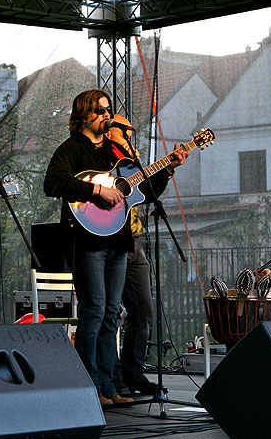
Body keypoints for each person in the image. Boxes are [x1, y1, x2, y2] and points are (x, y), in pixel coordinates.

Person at [43, 90, 186, 406]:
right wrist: (97, 190)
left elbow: (144, 192)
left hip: (119, 241)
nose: (107, 114)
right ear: (85, 113)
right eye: (101, 109)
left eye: (109, 109)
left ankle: (109, 387)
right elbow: (52, 183)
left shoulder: (114, 152)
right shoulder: (72, 149)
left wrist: (168, 168)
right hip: (88, 241)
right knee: (93, 312)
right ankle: (89, 386)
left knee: (111, 314)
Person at [106, 114, 159, 395]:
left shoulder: (131, 161)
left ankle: (133, 373)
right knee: (109, 311)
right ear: (111, 130)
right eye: (125, 129)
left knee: (143, 308)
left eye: (131, 129)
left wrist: (168, 168)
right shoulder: (103, 156)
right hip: (110, 238)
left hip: (134, 238)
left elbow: (148, 194)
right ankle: (110, 377)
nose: (129, 133)